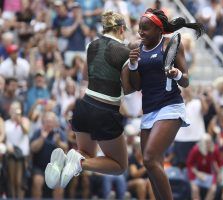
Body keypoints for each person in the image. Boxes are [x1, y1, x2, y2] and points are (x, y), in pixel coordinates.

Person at [44, 11, 133, 189]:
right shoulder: (125, 51)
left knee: (85, 153)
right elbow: (129, 87)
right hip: (105, 111)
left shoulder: (92, 45)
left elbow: (85, 76)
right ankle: (79, 164)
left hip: (84, 106)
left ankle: (63, 162)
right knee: (119, 166)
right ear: (122, 29)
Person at [128, 8, 204, 200]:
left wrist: (177, 74)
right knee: (152, 166)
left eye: (145, 28)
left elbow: (185, 80)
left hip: (170, 107)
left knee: (149, 159)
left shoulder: (171, 44)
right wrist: (133, 65)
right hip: (149, 110)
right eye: (139, 28)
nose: (140, 32)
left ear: (158, 30)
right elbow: (137, 85)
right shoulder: (138, 47)